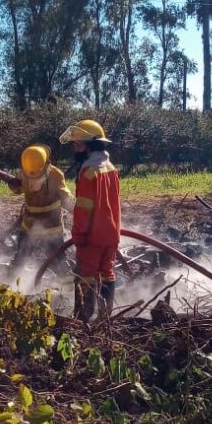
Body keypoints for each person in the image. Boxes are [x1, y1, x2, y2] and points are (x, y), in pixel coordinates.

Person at [59, 118, 121, 321]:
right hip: (111, 234)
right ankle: (105, 320)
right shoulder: (110, 167)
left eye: (77, 145)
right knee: (107, 273)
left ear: (88, 146)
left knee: (86, 275)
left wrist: (79, 234)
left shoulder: (88, 172)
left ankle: (82, 321)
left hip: (92, 237)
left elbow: (83, 208)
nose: (75, 149)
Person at [8, 145, 72, 270]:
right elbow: (18, 189)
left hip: (51, 229)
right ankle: (11, 279)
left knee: (58, 263)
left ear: (46, 163)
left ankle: (66, 281)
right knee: (20, 260)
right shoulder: (25, 172)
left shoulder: (55, 175)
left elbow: (66, 198)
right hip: (29, 227)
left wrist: (81, 211)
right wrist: (13, 185)